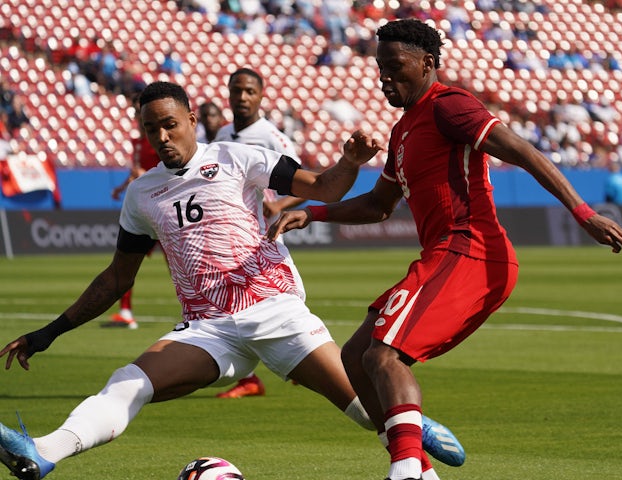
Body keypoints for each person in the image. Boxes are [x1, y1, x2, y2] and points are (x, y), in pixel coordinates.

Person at [0, 81, 463, 480]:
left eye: (170, 124)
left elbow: (323, 187)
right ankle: (41, 452)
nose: (162, 136)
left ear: (191, 118)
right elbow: (119, 277)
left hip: (273, 309)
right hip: (207, 329)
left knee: (367, 412)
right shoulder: (141, 194)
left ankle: (409, 428)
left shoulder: (238, 156)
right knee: (127, 382)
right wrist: (49, 332)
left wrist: (350, 161)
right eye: (151, 129)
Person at [267, 19, 622, 480]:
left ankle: (405, 470)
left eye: (395, 67)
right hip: (445, 255)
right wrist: (315, 214)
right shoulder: (403, 132)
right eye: (380, 69)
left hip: (473, 251)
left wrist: (583, 213)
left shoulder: (450, 105)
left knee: (383, 356)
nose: (385, 77)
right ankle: (417, 465)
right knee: (356, 357)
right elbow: (379, 206)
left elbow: (521, 150)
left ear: (427, 63)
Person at [212, 68, 306, 399]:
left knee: (280, 300)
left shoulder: (272, 137)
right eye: (237, 91)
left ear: (261, 96)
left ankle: (304, 357)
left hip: (263, 238)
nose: (242, 97)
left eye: (250, 91)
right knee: (231, 304)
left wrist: (279, 206)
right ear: (229, 93)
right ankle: (253, 377)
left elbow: (305, 181)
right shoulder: (222, 133)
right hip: (228, 237)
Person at [108, 94, 162, 329]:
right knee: (126, 262)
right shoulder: (137, 142)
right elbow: (136, 172)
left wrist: (145, 175)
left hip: (165, 209)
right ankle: (126, 312)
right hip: (145, 211)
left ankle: (200, 311)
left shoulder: (159, 139)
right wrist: (121, 187)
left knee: (180, 265)